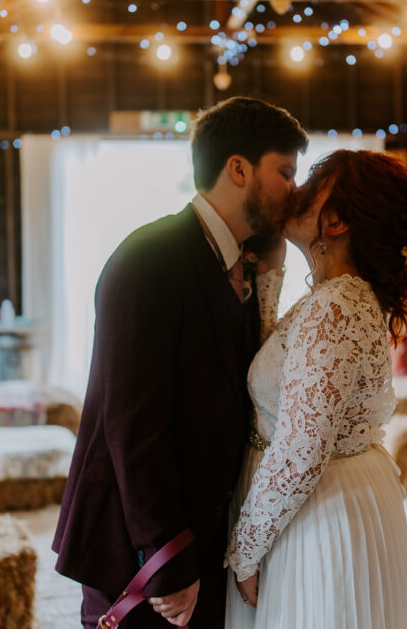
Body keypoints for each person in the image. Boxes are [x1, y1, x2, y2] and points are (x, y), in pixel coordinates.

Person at [53, 97, 308, 628]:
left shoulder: (246, 262)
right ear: (238, 169)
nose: (294, 190)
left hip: (207, 532)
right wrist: (165, 556)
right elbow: (132, 425)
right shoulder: (147, 260)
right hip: (137, 545)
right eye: (285, 172)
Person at [225, 150, 407, 629]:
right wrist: (269, 275)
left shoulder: (335, 306)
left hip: (317, 510)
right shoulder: (337, 297)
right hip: (326, 498)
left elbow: (300, 449)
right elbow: (286, 372)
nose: (297, 190)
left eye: (313, 181)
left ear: (334, 222)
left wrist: (246, 550)